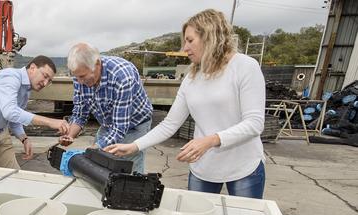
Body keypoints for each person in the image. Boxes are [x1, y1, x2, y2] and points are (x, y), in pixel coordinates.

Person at [104, 9, 266, 199]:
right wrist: (134, 146)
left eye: (190, 40)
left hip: (243, 168)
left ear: (210, 36)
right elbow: (169, 124)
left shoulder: (245, 66)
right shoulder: (191, 77)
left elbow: (255, 123)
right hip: (203, 168)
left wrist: (210, 140)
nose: (185, 48)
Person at [0, 56, 69, 169]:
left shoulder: (26, 90)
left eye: (49, 81)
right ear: (32, 68)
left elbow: (15, 117)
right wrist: (50, 122)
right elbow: (10, 112)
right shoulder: (10, 77)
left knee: (13, 173)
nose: (45, 83)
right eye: (45, 76)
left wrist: (24, 138)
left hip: (0, 132)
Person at [62, 42, 154, 173]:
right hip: (109, 124)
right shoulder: (79, 75)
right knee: (98, 165)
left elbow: (120, 127)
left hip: (135, 125)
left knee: (128, 170)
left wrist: (96, 147)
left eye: (82, 76)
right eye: (76, 77)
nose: (79, 82)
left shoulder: (122, 76)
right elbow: (80, 113)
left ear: (97, 64)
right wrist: (70, 135)